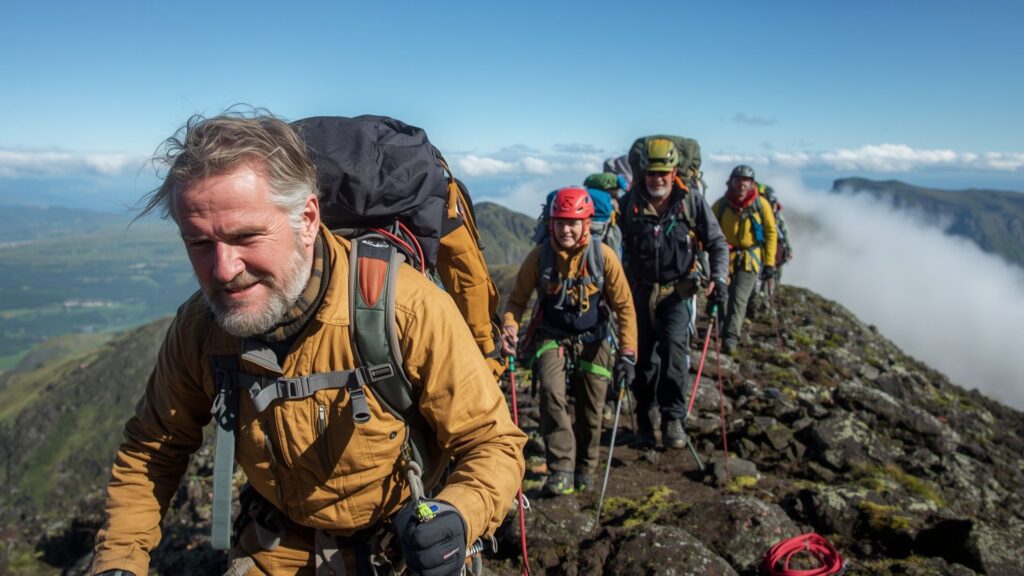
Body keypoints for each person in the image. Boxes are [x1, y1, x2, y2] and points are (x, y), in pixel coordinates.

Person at [91, 110, 527, 576]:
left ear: (307, 219)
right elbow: (154, 448)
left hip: (401, 545)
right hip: (277, 543)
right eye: (198, 242)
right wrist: (119, 560)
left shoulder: (406, 309)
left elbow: (492, 442)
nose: (222, 269)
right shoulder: (201, 329)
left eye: (246, 236)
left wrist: (459, 515)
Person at [500, 186, 637, 495]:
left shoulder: (603, 256)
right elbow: (516, 301)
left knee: (592, 405)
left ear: (586, 223)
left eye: (573, 223)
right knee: (551, 393)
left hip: (595, 339)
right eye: (560, 222)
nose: (566, 230)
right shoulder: (540, 257)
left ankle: (586, 468)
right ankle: (561, 468)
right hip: (552, 337)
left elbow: (624, 307)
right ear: (551, 223)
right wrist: (509, 326)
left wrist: (628, 353)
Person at [619, 139, 729, 450]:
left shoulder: (691, 202)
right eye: (652, 173)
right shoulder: (628, 204)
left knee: (674, 354)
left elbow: (717, 242)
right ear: (643, 172)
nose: (658, 179)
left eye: (663, 173)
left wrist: (719, 278)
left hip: (680, 289)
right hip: (639, 291)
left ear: (674, 171)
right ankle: (645, 420)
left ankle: (673, 420)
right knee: (643, 361)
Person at [711, 165, 778, 355]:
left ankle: (730, 339)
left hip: (750, 258)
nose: (742, 184)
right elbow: (708, 228)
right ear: (731, 182)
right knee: (722, 295)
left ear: (752, 184)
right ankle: (722, 328)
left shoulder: (761, 205)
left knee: (738, 298)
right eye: (738, 180)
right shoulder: (721, 205)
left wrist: (769, 263)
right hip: (725, 257)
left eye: (746, 181)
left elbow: (771, 233)